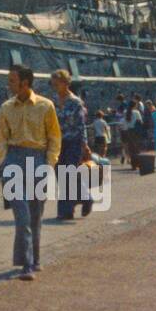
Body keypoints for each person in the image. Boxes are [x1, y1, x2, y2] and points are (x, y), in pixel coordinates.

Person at [0, 64, 61, 281]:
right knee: (22, 216)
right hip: (14, 160)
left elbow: (54, 137)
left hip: (38, 159)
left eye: (12, 80)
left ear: (25, 83)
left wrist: (49, 164)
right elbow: (1, 137)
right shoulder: (6, 108)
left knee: (35, 216)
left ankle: (35, 258)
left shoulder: (46, 106)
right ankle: (26, 265)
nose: (9, 83)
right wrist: (4, 161)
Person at [50, 69, 88, 220]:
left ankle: (66, 211)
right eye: (52, 84)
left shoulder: (75, 102)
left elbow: (81, 125)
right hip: (58, 143)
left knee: (70, 174)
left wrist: (84, 144)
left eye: (56, 84)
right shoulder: (52, 101)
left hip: (73, 141)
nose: (54, 87)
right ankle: (85, 198)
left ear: (65, 83)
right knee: (61, 174)